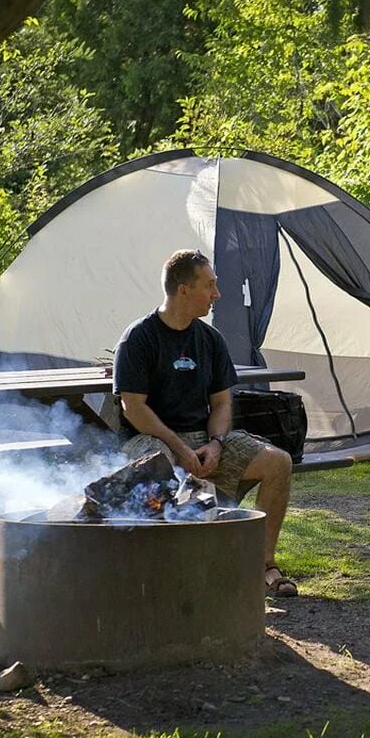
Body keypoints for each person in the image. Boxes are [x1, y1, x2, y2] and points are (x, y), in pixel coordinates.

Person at [113, 248, 298, 597]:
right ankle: (175, 574)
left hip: (203, 438)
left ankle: (263, 565)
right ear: (184, 289)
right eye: (210, 285)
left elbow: (222, 402)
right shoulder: (138, 338)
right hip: (149, 440)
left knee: (278, 462)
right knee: (163, 467)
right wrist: (180, 448)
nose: (217, 294)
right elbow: (132, 407)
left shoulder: (210, 339)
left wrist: (215, 443)